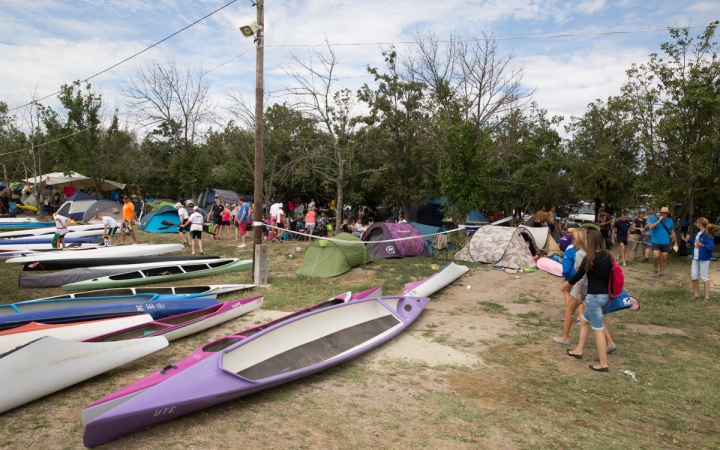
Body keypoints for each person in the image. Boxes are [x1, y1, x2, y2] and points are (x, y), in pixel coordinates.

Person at [562, 229, 614, 372]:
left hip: (594, 298)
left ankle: (603, 364)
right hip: (604, 296)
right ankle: (578, 350)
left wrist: (566, 285)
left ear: (590, 241)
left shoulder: (589, 258)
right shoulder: (608, 255)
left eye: (586, 239)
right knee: (584, 321)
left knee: (598, 330)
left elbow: (578, 276)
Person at [688, 218, 717, 303]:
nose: (696, 224)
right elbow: (695, 244)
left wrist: (702, 245)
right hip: (696, 257)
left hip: (704, 258)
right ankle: (696, 294)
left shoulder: (708, 234)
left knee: (704, 277)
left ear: (700, 223)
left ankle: (707, 297)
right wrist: (690, 240)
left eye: (697, 222)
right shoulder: (698, 233)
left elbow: (711, 247)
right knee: (694, 276)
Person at [644, 206, 677, 278]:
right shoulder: (654, 219)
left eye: (665, 213)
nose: (663, 214)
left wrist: (675, 241)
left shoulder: (670, 221)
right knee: (656, 256)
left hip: (665, 241)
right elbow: (650, 227)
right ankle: (655, 269)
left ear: (667, 214)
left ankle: (661, 272)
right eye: (662, 213)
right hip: (655, 240)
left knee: (664, 257)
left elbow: (672, 231)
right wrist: (658, 221)